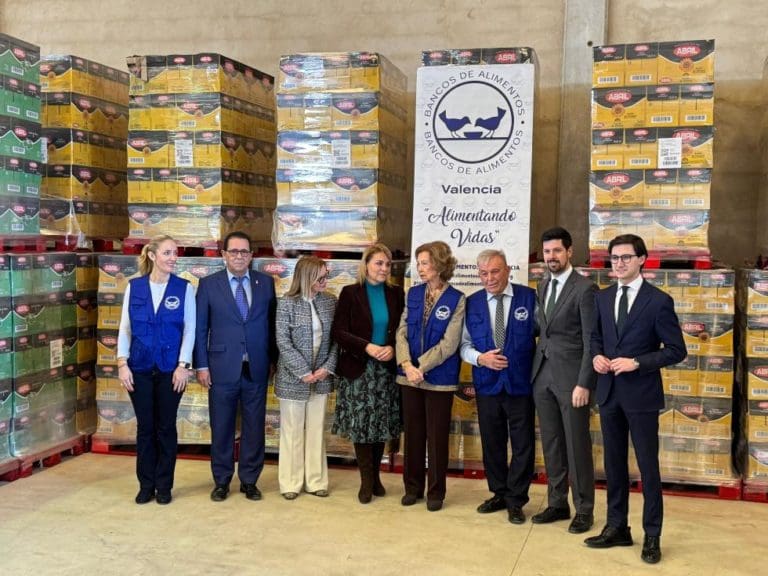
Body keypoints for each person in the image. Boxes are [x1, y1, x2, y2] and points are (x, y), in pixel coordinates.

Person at [586, 234, 686, 564]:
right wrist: (598, 357)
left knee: (647, 467)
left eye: (626, 257)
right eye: (614, 258)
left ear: (642, 259)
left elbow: (676, 351)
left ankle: (652, 535)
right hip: (610, 393)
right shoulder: (603, 298)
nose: (619, 263)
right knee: (613, 465)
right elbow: (597, 337)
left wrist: (638, 362)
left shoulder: (658, 301)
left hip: (641, 395)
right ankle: (617, 527)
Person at [195, 231, 277, 502]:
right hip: (220, 368)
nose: (239, 256)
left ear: (251, 255)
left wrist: (274, 361)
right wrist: (202, 366)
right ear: (224, 255)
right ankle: (221, 481)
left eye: (244, 251)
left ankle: (250, 481)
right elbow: (200, 329)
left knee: (255, 427)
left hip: (256, 367)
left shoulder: (265, 283)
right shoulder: (208, 285)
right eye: (234, 251)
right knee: (222, 427)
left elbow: (271, 325)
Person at [116, 234, 196, 505]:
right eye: (167, 253)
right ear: (152, 256)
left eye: (175, 253)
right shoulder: (135, 287)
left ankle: (164, 486)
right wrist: (122, 363)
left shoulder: (184, 288)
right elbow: (125, 328)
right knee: (145, 428)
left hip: (170, 370)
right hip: (138, 368)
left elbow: (190, 330)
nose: (173, 258)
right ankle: (145, 484)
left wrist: (183, 366)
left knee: (165, 427)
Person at [460, 249, 536, 524]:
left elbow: (543, 338)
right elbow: (464, 345)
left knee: (523, 444)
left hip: (520, 385)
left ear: (507, 270)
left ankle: (517, 500)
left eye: (495, 271)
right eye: (484, 273)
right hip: (487, 385)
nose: (489, 278)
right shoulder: (472, 303)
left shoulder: (529, 298)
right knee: (492, 443)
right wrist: (480, 359)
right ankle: (499, 494)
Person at [530, 227, 597, 534]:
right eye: (547, 252)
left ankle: (584, 509)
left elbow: (590, 340)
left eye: (557, 251)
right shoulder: (542, 285)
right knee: (553, 443)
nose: (551, 257)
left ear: (569, 252)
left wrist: (585, 382)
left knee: (576, 445)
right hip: (542, 375)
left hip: (572, 380)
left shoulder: (585, 289)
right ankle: (557, 502)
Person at [331, 243, 404, 504]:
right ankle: (366, 481)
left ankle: (377, 478)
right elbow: (339, 332)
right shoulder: (350, 293)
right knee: (362, 427)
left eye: (387, 264)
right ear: (366, 265)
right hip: (359, 368)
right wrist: (368, 346)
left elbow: (402, 331)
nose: (384, 268)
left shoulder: (396, 293)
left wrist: (394, 349)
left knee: (381, 425)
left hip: (385, 369)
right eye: (379, 263)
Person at [395, 241, 465, 512]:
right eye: (419, 263)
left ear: (439, 264)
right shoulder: (412, 294)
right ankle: (412, 488)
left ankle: (436, 492)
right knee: (412, 435)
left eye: (424, 263)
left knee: (436, 438)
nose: (420, 268)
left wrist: (420, 366)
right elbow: (401, 331)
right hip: (408, 377)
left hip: (440, 379)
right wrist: (406, 364)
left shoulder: (457, 298)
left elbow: (450, 343)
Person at [275, 256, 337, 500]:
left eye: (326, 276)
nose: (325, 281)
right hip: (292, 378)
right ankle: (290, 482)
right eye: (320, 277)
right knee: (291, 431)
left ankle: (316, 480)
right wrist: (303, 372)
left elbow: (336, 340)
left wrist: (326, 368)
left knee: (316, 428)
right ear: (306, 276)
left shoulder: (330, 302)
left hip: (322, 376)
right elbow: (283, 341)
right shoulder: (287, 303)